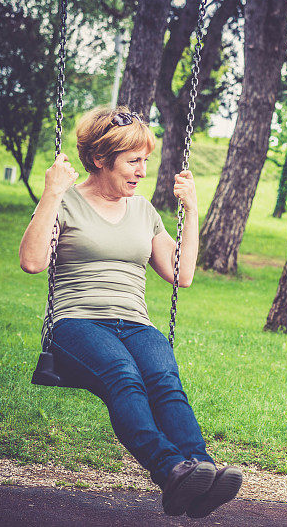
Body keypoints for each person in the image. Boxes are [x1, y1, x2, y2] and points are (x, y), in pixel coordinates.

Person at [19, 106, 242, 517]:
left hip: (136, 323)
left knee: (164, 381)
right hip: (77, 323)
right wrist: (51, 193)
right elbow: (33, 261)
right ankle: (171, 469)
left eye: (146, 161)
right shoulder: (65, 203)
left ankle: (200, 472)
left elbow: (182, 274)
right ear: (101, 159)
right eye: (133, 161)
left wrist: (191, 210)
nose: (142, 171)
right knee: (124, 378)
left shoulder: (143, 210)